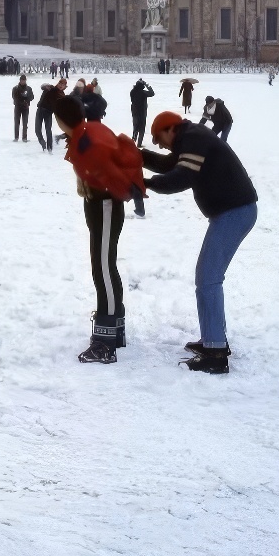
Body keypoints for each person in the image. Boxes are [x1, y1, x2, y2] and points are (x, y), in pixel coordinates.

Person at [142, 111, 258, 374]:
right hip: (233, 210)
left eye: (158, 138)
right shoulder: (190, 138)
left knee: (208, 277)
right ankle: (213, 340)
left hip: (235, 212)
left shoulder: (193, 137)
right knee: (207, 277)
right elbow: (171, 165)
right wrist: (140, 156)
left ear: (170, 128)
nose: (158, 143)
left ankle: (215, 353)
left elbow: (182, 176)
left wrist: (144, 183)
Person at [42, 87, 146, 363]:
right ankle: (115, 327)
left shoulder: (88, 141)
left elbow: (110, 174)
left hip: (105, 207)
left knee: (103, 269)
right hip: (100, 206)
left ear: (63, 120)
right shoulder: (86, 132)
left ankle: (105, 341)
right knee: (104, 267)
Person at [130, 79, 155, 145]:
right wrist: (147, 85)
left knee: (135, 127)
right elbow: (152, 93)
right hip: (142, 112)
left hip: (134, 111)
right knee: (141, 128)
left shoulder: (132, 92)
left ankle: (133, 142)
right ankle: (139, 143)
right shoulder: (143, 92)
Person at [12, 74, 34, 142]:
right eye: (22, 80)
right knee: (16, 123)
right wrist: (22, 101)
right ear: (20, 80)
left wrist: (26, 100)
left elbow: (32, 97)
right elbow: (14, 97)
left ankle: (24, 137)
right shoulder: (15, 88)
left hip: (25, 108)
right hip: (18, 107)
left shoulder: (29, 88)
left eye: (24, 80)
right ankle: (16, 137)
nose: (23, 81)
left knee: (25, 123)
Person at [34, 84, 54, 152]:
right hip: (40, 110)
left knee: (48, 130)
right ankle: (43, 143)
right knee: (37, 129)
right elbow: (42, 86)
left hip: (48, 112)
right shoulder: (47, 89)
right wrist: (47, 86)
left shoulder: (57, 93)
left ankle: (49, 148)